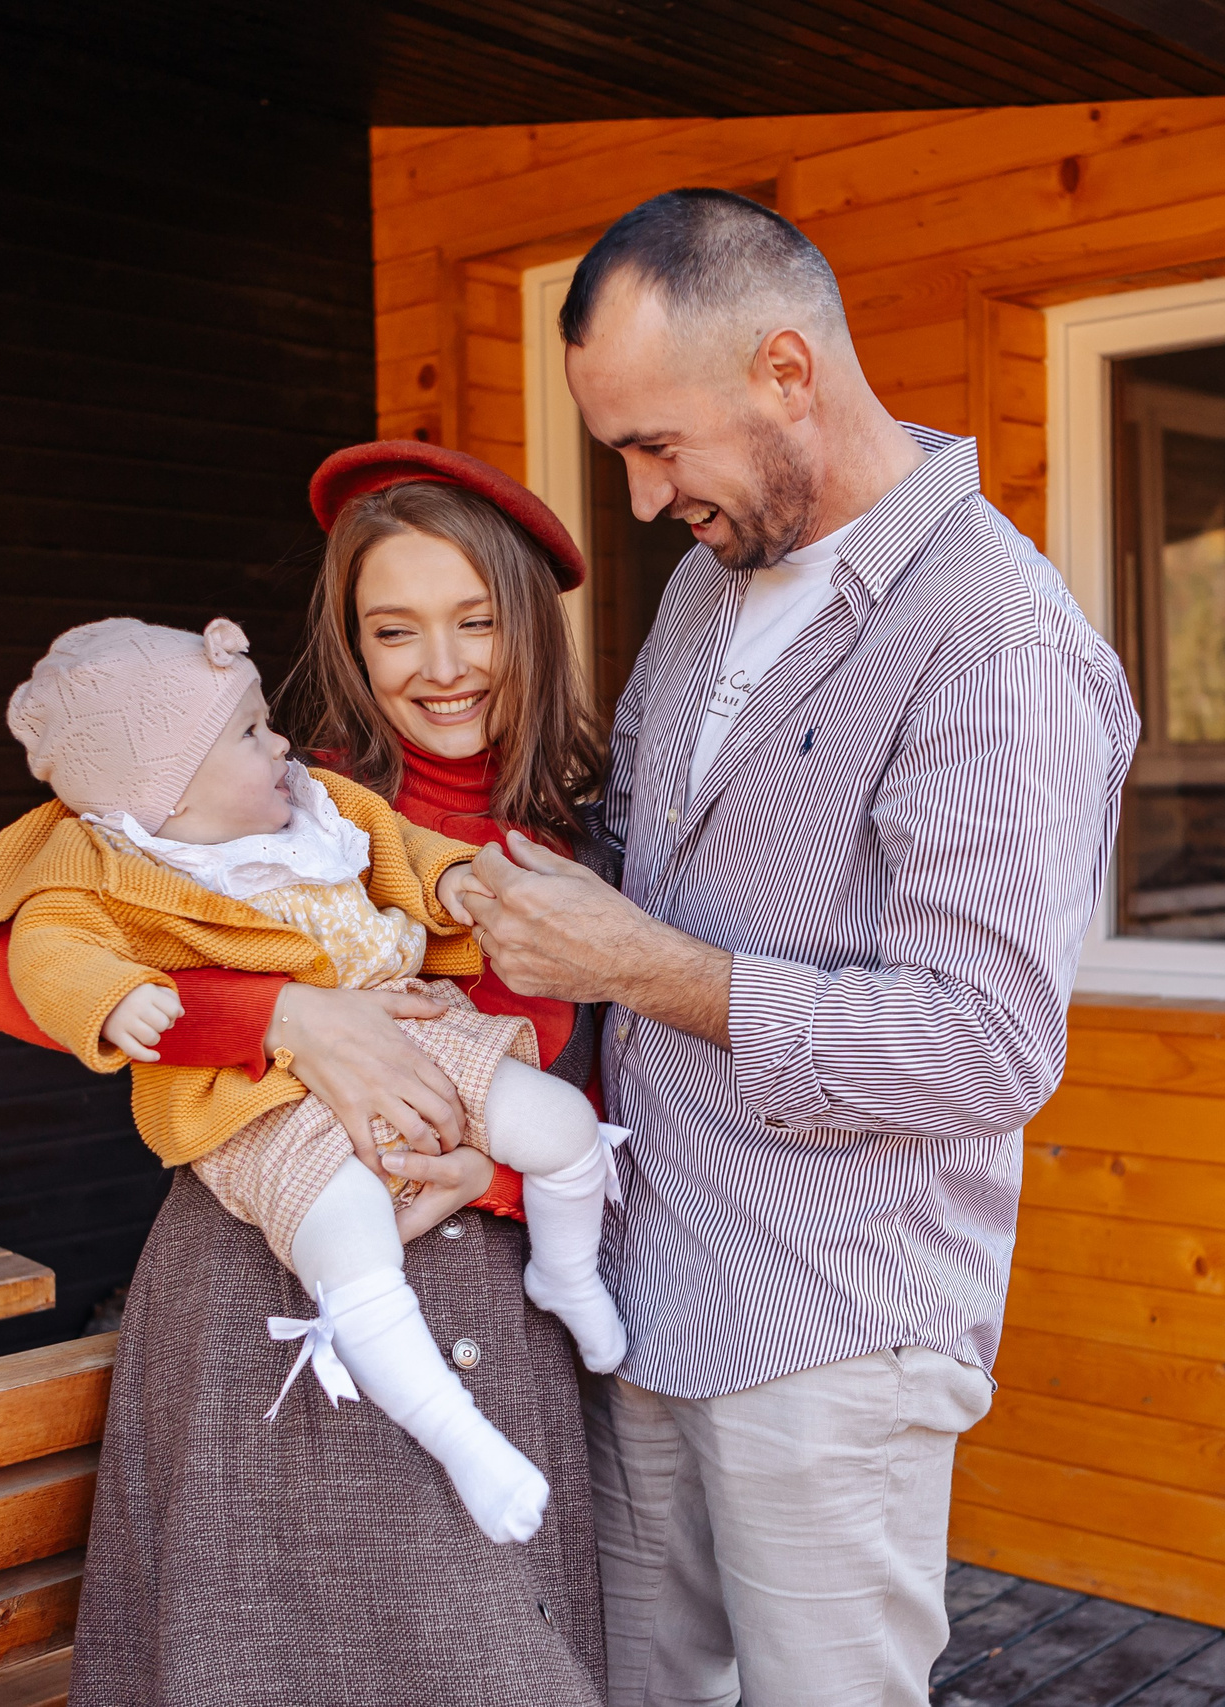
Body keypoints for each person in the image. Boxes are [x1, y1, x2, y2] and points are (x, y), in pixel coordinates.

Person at [455, 189, 1140, 1705]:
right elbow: (639, 872)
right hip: (647, 1273)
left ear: (786, 370)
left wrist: (634, 961)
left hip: (833, 1321)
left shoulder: (994, 642)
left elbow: (986, 1045)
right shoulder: (709, 585)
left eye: (654, 444)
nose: (637, 500)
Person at [0, 446, 617, 1702]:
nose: (442, 666)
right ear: (351, 643)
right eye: (394, 628)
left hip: (493, 1292)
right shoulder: (267, 796)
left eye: (477, 621)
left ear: (530, 625)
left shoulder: (592, 838)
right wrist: (284, 1014)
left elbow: (629, 1104)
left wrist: (494, 1176)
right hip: (268, 1276)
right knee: (275, 1658)